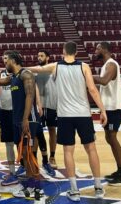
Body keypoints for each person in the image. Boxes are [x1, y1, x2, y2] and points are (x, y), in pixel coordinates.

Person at [26, 41, 108, 201]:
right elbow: (92, 89)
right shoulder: (84, 66)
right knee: (91, 149)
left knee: (68, 151)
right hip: (84, 114)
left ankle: (74, 190)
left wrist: (21, 68)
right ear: (76, 52)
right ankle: (98, 187)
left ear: (63, 52)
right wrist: (102, 110)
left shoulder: (55, 66)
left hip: (65, 116)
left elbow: (37, 69)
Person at [0, 50, 43, 200]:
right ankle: (31, 184)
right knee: (25, 153)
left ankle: (36, 187)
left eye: (7, 61)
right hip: (18, 120)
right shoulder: (13, 78)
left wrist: (25, 119)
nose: (5, 64)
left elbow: (30, 95)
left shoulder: (26, 74)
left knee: (29, 154)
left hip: (28, 119)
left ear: (14, 61)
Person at [93, 42, 121, 186]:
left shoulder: (111, 64)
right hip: (108, 108)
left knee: (112, 138)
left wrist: (87, 76)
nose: (95, 51)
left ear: (104, 49)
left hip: (113, 108)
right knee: (110, 138)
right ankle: (120, 170)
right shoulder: (105, 65)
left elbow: (104, 81)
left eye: (97, 48)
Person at [35, 50, 58, 169]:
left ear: (48, 57)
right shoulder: (35, 71)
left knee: (52, 130)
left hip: (51, 105)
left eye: (41, 55)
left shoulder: (53, 69)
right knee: (36, 132)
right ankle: (36, 158)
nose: (39, 57)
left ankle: (52, 156)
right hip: (39, 106)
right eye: (38, 56)